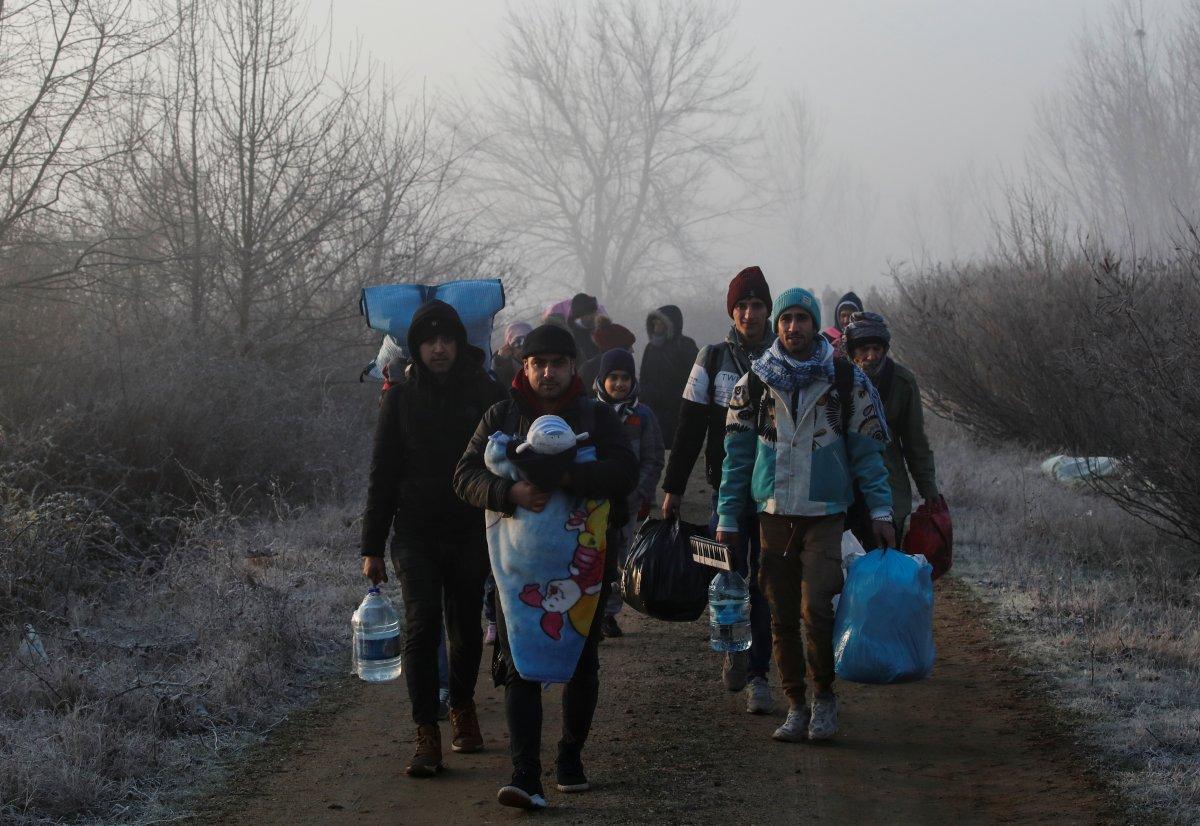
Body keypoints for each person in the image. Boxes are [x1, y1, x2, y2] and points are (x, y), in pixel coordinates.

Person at [454, 324, 637, 810]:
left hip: (585, 570)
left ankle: (570, 756)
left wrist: (568, 477)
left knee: (582, 662)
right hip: (515, 571)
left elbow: (625, 471)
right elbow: (464, 476)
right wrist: (508, 492)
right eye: (539, 363)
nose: (548, 372)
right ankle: (526, 772)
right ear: (524, 367)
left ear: (574, 368)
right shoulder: (501, 416)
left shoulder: (596, 417)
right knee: (519, 667)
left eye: (558, 363)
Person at [715, 288, 894, 744]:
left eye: (802, 319)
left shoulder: (845, 379)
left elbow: (868, 454)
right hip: (772, 515)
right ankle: (795, 704)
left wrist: (880, 509)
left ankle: (824, 698)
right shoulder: (752, 383)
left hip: (825, 515)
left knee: (817, 609)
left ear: (816, 325)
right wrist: (727, 518)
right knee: (780, 615)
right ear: (777, 326)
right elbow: (736, 458)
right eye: (786, 319)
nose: (793, 327)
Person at [360, 299, 505, 777]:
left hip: (470, 530)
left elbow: (504, 460)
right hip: (416, 533)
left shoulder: (485, 392)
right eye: (429, 341)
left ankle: (462, 706)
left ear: (460, 344)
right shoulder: (399, 399)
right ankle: (427, 731)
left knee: (464, 627)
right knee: (423, 627)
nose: (439, 349)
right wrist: (371, 546)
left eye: (446, 340)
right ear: (415, 348)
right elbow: (383, 473)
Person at [660, 265, 777, 714]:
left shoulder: (783, 357)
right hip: (721, 493)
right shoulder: (710, 358)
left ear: (768, 310)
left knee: (765, 586)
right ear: (732, 311)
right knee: (724, 577)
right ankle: (733, 647)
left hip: (773, 496)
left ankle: (759, 674)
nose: (749, 313)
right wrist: (672, 487)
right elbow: (688, 425)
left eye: (757, 305)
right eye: (742, 306)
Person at [841, 311, 939, 547]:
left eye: (877, 348)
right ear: (852, 352)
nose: (871, 356)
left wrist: (929, 491)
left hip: (890, 488)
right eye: (864, 349)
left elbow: (916, 443)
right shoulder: (838, 380)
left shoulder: (902, 383)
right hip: (845, 492)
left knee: (885, 566)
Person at [592, 347, 665, 639]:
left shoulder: (643, 416)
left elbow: (653, 457)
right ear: (602, 379)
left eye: (625, 378)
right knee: (591, 556)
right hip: (593, 501)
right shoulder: (589, 412)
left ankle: (608, 614)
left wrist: (638, 493)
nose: (619, 384)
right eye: (613, 377)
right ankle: (589, 613)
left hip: (627, 503)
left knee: (620, 558)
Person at [639, 305, 699, 445]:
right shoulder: (650, 348)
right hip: (653, 412)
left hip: (678, 413)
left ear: (670, 325)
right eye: (654, 324)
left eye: (660, 323)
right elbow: (643, 378)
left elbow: (695, 380)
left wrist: (675, 399)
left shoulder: (686, 346)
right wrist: (646, 397)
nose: (656, 328)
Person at [578, 317, 637, 390]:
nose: (632, 351)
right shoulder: (589, 370)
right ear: (617, 349)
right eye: (628, 347)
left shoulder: (587, 368)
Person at [492, 321, 532, 389]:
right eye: (517, 343)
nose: (523, 348)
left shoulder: (539, 355)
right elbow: (500, 382)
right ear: (509, 347)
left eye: (528, 341)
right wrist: (500, 361)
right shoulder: (508, 365)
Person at [567, 292, 603, 362]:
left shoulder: (598, 331)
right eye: (592, 313)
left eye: (596, 312)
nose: (596, 315)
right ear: (583, 314)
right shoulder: (570, 336)